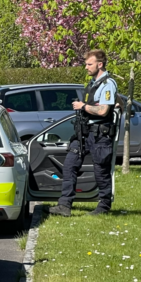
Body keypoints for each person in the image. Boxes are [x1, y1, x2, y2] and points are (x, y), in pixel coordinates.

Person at [49, 49, 118, 217]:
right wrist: (118, 105)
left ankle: (104, 206)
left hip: (100, 135)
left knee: (101, 171)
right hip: (85, 133)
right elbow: (116, 100)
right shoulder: (94, 83)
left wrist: (83, 106)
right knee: (69, 165)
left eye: (89, 64)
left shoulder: (108, 84)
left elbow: (103, 111)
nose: (86, 67)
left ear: (99, 64)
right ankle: (64, 205)